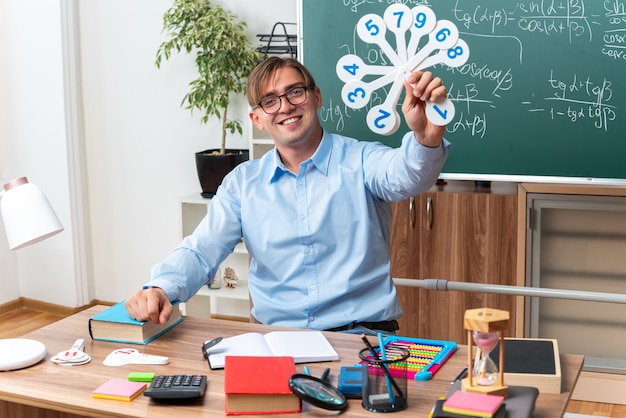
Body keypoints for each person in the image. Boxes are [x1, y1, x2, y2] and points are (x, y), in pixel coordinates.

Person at [125, 57, 450, 334]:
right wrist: (160, 287)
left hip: (364, 337)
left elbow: (409, 175)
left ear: (316, 97)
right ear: (257, 119)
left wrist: (425, 136)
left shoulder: (362, 160)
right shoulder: (243, 183)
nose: (285, 107)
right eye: (270, 100)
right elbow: (202, 251)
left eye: (295, 92)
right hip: (277, 340)